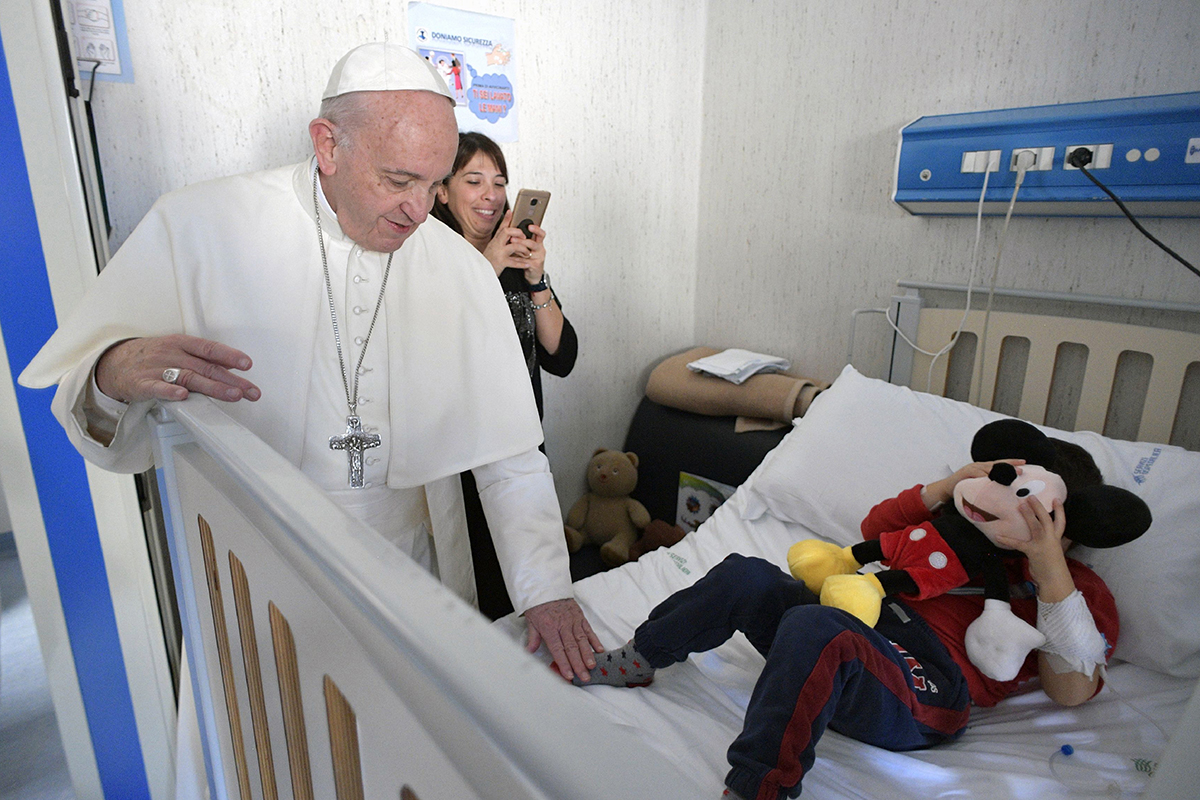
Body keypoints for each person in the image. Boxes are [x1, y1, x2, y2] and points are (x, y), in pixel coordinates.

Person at [18, 43, 602, 683]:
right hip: (259, 572)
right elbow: (88, 415)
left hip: (418, 565)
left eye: (434, 184)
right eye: (399, 181)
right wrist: (113, 372)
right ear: (326, 144)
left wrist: (546, 587)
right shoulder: (199, 227)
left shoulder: (459, 266)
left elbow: (510, 453)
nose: (419, 210)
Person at [571, 457, 1119, 800]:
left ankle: (760, 787)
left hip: (929, 684)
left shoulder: (1076, 588)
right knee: (747, 575)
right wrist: (950, 486)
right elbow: (875, 530)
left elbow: (1071, 689)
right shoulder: (950, 531)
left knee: (819, 627)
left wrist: (1049, 564)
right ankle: (642, 657)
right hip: (862, 620)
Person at [432, 132, 579, 618]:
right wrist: (487, 265)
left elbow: (562, 356)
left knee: (532, 578)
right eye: (473, 180)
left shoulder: (514, 260)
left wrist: (536, 278)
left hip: (523, 441)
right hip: (463, 451)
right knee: (478, 582)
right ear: (442, 191)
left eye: (499, 182)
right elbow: (434, 351)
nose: (491, 195)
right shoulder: (429, 259)